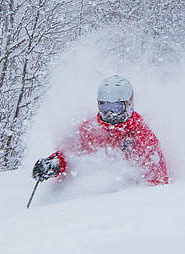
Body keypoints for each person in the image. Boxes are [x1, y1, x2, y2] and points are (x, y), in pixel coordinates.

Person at [32, 75, 169, 186]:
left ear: (129, 105)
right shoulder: (91, 129)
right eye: (104, 107)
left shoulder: (143, 137)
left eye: (116, 108)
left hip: (128, 202)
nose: (109, 114)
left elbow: (158, 183)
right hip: (90, 200)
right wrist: (54, 164)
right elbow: (71, 155)